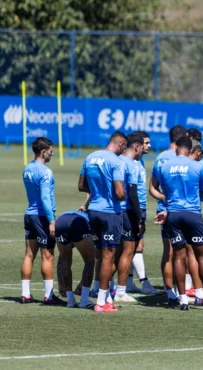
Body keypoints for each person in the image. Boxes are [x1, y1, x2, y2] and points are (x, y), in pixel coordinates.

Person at [156, 136, 203, 310]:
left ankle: (183, 299)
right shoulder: (198, 166)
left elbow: (163, 190)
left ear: (177, 148)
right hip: (193, 213)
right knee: (202, 256)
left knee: (178, 256)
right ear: (190, 150)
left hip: (173, 214)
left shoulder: (164, 166)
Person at [78, 131, 128, 313]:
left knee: (99, 255)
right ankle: (101, 302)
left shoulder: (90, 157)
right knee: (108, 257)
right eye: (124, 148)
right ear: (120, 144)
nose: (123, 151)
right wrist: (122, 196)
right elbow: (120, 193)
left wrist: (97, 191)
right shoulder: (116, 162)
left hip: (93, 211)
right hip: (110, 213)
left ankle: (101, 297)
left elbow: (81, 186)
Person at [149, 125, 192, 305]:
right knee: (186, 250)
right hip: (185, 209)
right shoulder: (185, 157)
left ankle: (169, 291)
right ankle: (187, 288)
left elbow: (152, 187)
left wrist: (163, 197)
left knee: (169, 251)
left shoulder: (160, 158)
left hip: (163, 209)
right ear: (186, 137)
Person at [21, 137, 59, 304]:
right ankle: (49, 295)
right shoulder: (45, 171)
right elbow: (44, 197)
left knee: (29, 254)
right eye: (50, 151)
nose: (52, 153)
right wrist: (51, 220)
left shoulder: (27, 168)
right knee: (48, 255)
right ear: (43, 152)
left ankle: (25, 294)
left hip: (29, 214)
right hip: (42, 216)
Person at [114, 133, 145, 303]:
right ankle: (120, 292)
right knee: (128, 252)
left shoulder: (115, 160)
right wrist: (140, 219)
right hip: (127, 212)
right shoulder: (132, 165)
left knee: (111, 252)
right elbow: (132, 194)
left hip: (113, 211)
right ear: (137, 147)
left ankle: (100, 288)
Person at [126, 131, 159, 295]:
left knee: (135, 245)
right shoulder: (130, 162)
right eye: (146, 143)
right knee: (136, 245)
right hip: (133, 207)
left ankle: (128, 282)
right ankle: (144, 283)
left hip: (140, 206)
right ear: (137, 145)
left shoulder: (141, 161)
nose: (149, 146)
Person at [55, 209, 96, 308]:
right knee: (90, 261)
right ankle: (84, 300)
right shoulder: (94, 219)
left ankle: (70, 300)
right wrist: (82, 283)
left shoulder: (78, 213)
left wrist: (61, 284)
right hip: (78, 223)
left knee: (65, 260)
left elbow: (60, 261)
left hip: (60, 222)